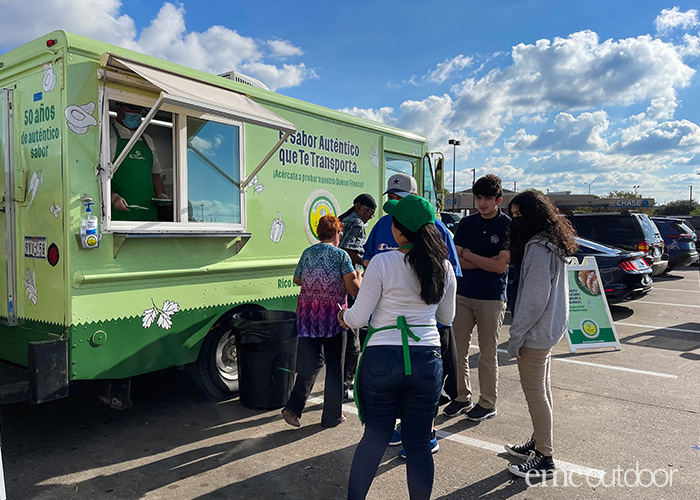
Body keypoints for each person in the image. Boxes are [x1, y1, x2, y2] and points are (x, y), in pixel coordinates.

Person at [339, 194, 456, 500]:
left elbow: (358, 317)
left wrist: (342, 316)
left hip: (382, 358)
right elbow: (446, 318)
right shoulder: (443, 266)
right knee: (418, 446)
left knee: (374, 439)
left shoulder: (382, 262)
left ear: (399, 230)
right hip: (426, 360)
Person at [362, 173, 462, 455]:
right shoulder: (383, 225)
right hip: (386, 327)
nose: (393, 204)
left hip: (425, 328)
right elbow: (369, 259)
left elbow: (449, 277)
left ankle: (423, 435)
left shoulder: (436, 229)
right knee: (397, 389)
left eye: (399, 199)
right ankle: (404, 428)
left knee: (423, 390)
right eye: (390, 198)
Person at [504, 190, 577, 479]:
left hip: (536, 333)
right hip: (550, 329)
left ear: (532, 215)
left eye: (519, 215)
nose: (514, 221)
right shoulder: (553, 241)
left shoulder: (537, 248)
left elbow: (534, 300)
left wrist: (516, 336)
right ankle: (538, 442)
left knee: (536, 395)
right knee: (543, 391)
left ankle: (545, 457)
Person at [281, 215, 362, 428]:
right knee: (335, 366)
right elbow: (353, 288)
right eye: (340, 232)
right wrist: (359, 277)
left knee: (311, 362)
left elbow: (297, 279)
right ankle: (331, 417)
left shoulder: (307, 253)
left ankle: (293, 408)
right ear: (336, 233)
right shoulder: (341, 256)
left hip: (308, 316)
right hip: (334, 318)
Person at [446, 174, 510, 421]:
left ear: (498, 200)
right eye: (479, 197)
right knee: (458, 350)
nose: (482, 202)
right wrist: (485, 260)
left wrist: (470, 256)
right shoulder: (466, 224)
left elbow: (499, 268)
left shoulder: (506, 225)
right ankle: (462, 397)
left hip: (491, 297)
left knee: (487, 353)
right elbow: (456, 262)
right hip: (463, 295)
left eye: (488, 198)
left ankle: (488, 402)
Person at [338, 194, 376, 402]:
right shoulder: (357, 223)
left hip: (336, 284)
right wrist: (368, 262)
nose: (370, 215)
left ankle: (339, 382)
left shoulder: (342, 220)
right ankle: (346, 385)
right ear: (359, 207)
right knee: (353, 338)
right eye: (369, 210)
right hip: (351, 281)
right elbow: (349, 252)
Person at [110, 102, 169, 221]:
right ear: (118, 110)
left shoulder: (147, 140)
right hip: (119, 215)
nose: (136, 114)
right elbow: (99, 176)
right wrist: (112, 197)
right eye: (131, 110)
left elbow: (155, 173)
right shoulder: (108, 137)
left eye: (139, 111)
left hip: (148, 213)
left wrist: (161, 195)